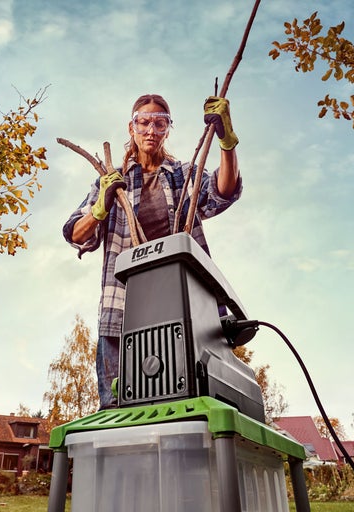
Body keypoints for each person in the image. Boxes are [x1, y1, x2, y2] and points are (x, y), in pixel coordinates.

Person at [62, 93, 243, 409]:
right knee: (118, 408)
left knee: (190, 404)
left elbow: (222, 190)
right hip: (123, 310)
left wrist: (227, 143)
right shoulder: (112, 182)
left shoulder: (183, 175)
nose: (151, 130)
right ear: (131, 128)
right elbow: (76, 234)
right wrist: (100, 208)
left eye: (160, 123)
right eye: (143, 122)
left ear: (168, 129)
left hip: (183, 308)